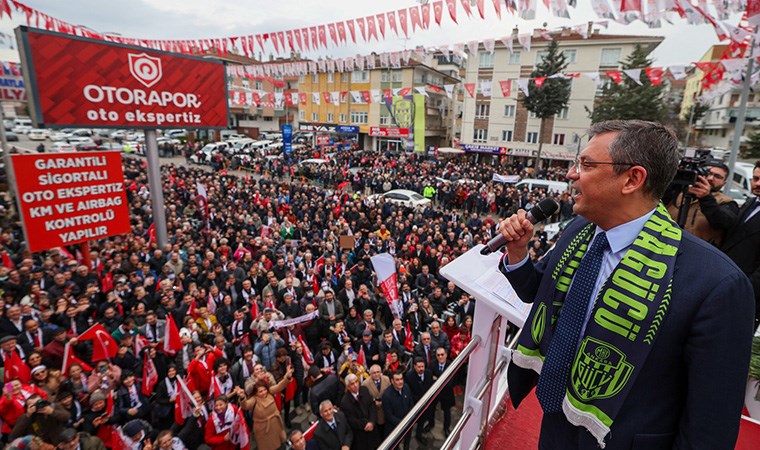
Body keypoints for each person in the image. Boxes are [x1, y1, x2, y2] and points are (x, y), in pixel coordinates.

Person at [497, 120, 754, 449]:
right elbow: (537, 291)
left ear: (633, 179)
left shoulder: (717, 284)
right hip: (557, 422)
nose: (571, 174)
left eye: (586, 164)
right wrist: (518, 253)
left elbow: (710, 425)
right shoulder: (579, 231)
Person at [721, 160, 760, 326]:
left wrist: (741, 289)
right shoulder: (751, 203)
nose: (758, 183)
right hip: (725, 284)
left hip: (743, 297)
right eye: (755, 178)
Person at [666, 160, 738, 246]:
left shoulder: (727, 202)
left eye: (717, 176)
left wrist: (706, 198)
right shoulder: (678, 194)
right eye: (708, 173)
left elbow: (723, 222)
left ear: (724, 182)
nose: (711, 178)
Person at [239, 365, 294, 450]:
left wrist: (287, 377)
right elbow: (245, 405)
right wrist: (242, 397)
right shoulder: (254, 398)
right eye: (260, 391)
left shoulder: (269, 390)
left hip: (275, 424)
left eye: (264, 390)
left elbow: (279, 386)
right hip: (264, 429)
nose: (263, 393)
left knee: (280, 444)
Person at [340, 373, 379, 450]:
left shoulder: (364, 389)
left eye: (356, 382)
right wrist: (365, 425)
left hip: (373, 430)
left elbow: (372, 406)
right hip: (360, 436)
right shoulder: (345, 402)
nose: (355, 385)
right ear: (348, 387)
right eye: (352, 384)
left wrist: (371, 422)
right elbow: (351, 420)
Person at [404, 357, 433, 446]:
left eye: (422, 366)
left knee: (422, 420)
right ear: (415, 366)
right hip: (415, 404)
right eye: (419, 367)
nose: (421, 369)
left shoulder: (428, 373)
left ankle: (419, 435)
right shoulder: (409, 376)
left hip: (426, 404)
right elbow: (409, 392)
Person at [382, 371, 413, 450]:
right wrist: (402, 423)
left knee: (407, 441)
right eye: (397, 380)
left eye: (401, 379)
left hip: (407, 423)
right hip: (394, 427)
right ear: (392, 381)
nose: (400, 382)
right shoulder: (386, 395)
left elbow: (410, 403)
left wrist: (408, 419)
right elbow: (389, 415)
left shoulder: (406, 387)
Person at [431, 347, 454, 435]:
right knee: (431, 409)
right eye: (438, 355)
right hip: (435, 392)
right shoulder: (432, 364)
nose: (440, 357)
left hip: (447, 392)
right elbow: (430, 378)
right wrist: (443, 379)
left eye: (442, 355)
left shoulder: (451, 365)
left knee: (447, 412)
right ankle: (431, 424)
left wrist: (437, 379)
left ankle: (446, 428)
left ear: (446, 355)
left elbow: (451, 381)